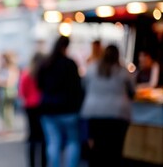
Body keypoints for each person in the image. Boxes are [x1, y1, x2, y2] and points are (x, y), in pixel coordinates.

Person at [81, 45, 135, 167]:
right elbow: (132, 92)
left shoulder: (92, 68)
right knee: (115, 149)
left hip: (94, 112)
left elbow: (83, 87)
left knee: (97, 147)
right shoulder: (123, 71)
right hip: (118, 114)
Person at [37, 36, 83, 167]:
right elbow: (77, 87)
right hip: (68, 109)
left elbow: (39, 85)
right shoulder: (70, 64)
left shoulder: (46, 64)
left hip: (48, 108)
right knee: (72, 141)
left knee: (53, 142)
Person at [19, 53, 46, 167]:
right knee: (43, 137)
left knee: (32, 137)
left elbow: (22, 91)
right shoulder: (45, 73)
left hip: (30, 106)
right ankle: (43, 163)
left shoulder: (27, 73)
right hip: (42, 105)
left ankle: (32, 163)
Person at [0, 52, 19, 133]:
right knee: (3, 111)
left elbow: (9, 82)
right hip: (3, 91)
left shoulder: (11, 68)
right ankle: (5, 127)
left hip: (9, 91)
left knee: (7, 111)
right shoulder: (4, 68)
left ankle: (8, 128)